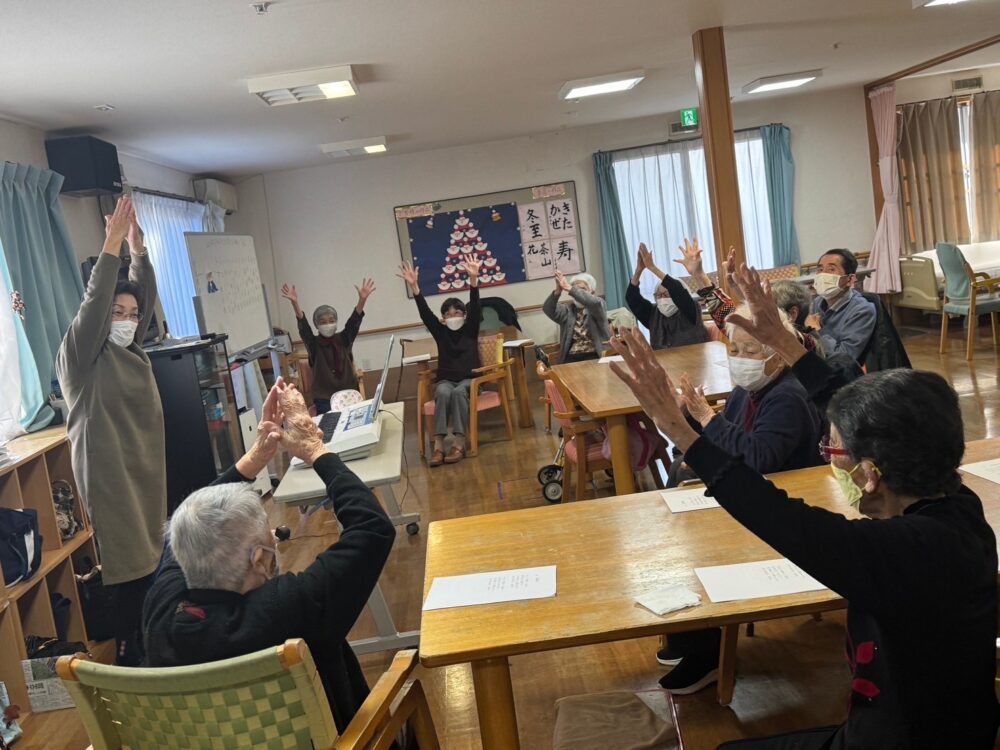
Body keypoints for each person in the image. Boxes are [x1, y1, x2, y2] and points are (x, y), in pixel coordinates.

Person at [609, 277, 999, 749]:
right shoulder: (958, 506)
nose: (828, 453)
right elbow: (852, 407)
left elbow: (776, 514)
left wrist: (683, 433)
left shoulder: (901, 551)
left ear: (869, 474)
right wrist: (785, 345)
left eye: (831, 447)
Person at [143, 379, 395, 735]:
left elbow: (188, 523)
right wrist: (315, 449)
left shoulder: (161, 608)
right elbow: (372, 528)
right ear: (260, 560)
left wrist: (253, 459)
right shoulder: (290, 608)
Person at [55, 196, 164, 666]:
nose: (124, 321)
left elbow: (145, 299)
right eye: (115, 314)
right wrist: (112, 246)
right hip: (108, 474)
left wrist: (138, 254)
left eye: (131, 314)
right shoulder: (82, 360)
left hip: (143, 468)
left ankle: (154, 639)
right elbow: (94, 305)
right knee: (127, 566)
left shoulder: (132, 351)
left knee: (153, 556)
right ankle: (130, 655)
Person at [397, 256, 481, 467]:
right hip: (446, 380)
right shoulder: (441, 332)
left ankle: (459, 443)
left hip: (469, 380)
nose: (452, 317)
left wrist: (473, 280)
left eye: (457, 313)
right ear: (443, 317)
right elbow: (426, 314)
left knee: (459, 392)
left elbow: (477, 307)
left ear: (464, 315)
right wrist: (415, 287)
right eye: (448, 314)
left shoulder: (471, 330)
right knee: (443, 392)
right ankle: (438, 446)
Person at [281, 278, 375, 414]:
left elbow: (354, 321)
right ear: (317, 325)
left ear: (336, 322)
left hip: (350, 394)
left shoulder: (344, 338)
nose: (328, 324)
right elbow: (304, 329)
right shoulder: (313, 344)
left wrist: (362, 300)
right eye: (323, 322)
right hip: (325, 400)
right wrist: (295, 303)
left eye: (331, 320)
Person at [625, 242, 707, 349]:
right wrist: (639, 271)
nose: (663, 298)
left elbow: (676, 289)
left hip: (692, 360)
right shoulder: (653, 313)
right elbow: (632, 298)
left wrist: (652, 268)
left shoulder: (691, 309)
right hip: (662, 363)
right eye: (659, 295)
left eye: (667, 294)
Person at [805, 249, 876, 363]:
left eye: (831, 269)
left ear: (850, 279)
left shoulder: (862, 310)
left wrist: (816, 330)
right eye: (820, 269)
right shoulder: (817, 302)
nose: (823, 274)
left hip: (839, 372)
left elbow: (845, 358)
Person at [543, 271, 610, 363]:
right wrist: (558, 292)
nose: (576, 294)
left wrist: (569, 287)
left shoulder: (599, 305)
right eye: (575, 289)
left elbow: (594, 303)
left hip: (595, 355)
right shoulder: (568, 310)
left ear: (592, 292)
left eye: (582, 289)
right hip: (571, 356)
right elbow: (548, 309)